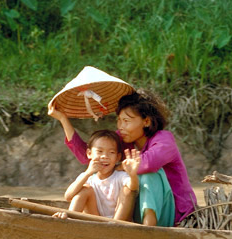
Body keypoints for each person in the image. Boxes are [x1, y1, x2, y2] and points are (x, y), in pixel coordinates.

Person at [48, 89, 197, 226]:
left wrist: (117, 166)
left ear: (146, 121)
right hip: (138, 211)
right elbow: (91, 156)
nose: (121, 126)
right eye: (119, 120)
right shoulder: (124, 139)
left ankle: (148, 231)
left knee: (147, 175)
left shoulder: (164, 140)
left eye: (126, 121)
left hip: (174, 213)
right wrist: (63, 119)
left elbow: (146, 164)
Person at [53, 129, 141, 220]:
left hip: (118, 222)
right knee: (85, 189)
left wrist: (133, 175)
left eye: (111, 152)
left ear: (118, 157)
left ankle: (114, 226)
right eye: (100, 151)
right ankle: (69, 219)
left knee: (127, 190)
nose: (105, 156)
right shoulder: (88, 178)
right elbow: (68, 196)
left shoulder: (120, 176)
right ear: (89, 153)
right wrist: (88, 172)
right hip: (96, 220)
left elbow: (133, 187)